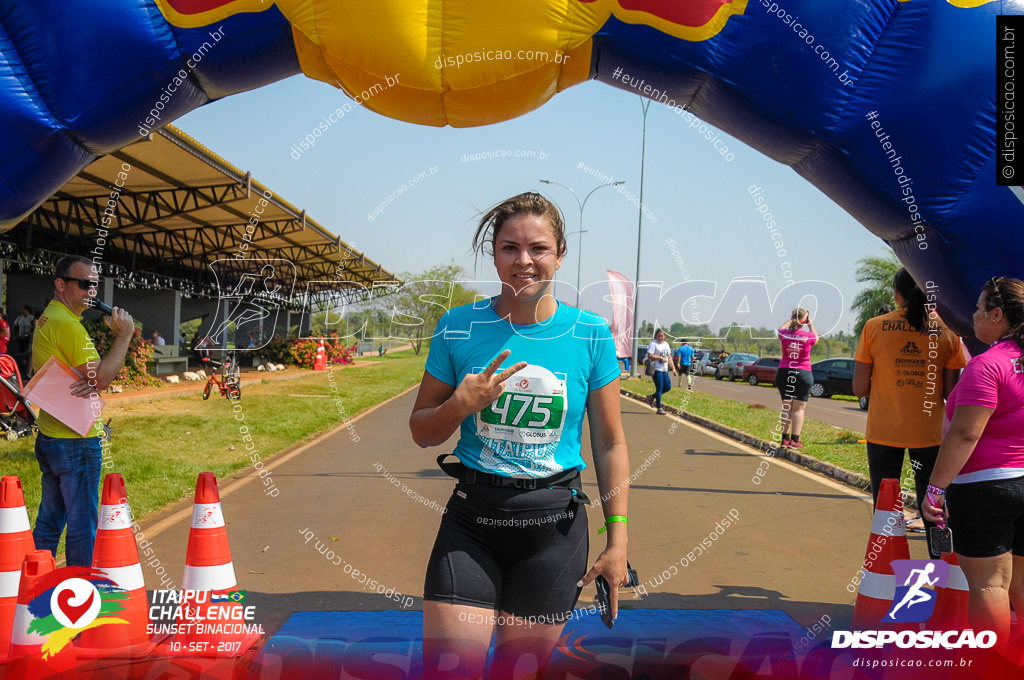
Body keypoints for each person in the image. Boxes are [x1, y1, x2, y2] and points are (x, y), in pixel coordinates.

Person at [408, 192, 630, 679]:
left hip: (553, 531)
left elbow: (610, 442)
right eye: (510, 248)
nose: (524, 260)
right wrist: (459, 406)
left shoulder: (590, 333)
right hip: (471, 525)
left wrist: (618, 542)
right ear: (494, 254)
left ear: (561, 253)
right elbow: (422, 431)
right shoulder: (459, 327)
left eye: (538, 248)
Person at [922, 277, 1024, 641]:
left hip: (986, 488)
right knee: (1021, 586)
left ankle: (993, 666)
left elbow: (965, 433)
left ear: (998, 315)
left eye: (980, 308)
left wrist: (935, 489)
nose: (974, 314)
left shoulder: (987, 365)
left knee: (989, 586)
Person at [854, 268, 966, 558]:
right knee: (934, 503)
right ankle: (940, 570)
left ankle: (886, 568)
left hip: (883, 431)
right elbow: (950, 394)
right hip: (929, 433)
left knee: (885, 501)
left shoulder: (874, 326)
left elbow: (858, 389)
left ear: (897, 293)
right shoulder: (948, 332)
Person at [31, 255, 135, 567]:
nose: (91, 290)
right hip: (76, 440)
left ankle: (32, 587)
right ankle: (80, 600)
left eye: (95, 285)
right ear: (60, 284)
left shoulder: (50, 317)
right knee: (82, 527)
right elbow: (101, 378)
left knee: (50, 521)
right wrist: (125, 334)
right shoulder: (68, 326)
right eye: (84, 284)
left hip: (52, 434)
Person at [774, 308, 818, 449]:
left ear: (792, 318)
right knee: (799, 409)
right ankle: (795, 440)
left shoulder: (784, 334)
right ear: (804, 321)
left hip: (784, 371)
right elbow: (816, 337)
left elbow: (781, 328)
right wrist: (810, 323)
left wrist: (792, 319)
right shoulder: (808, 336)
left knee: (787, 407)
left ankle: (784, 439)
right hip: (802, 373)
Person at [644, 329, 678, 415]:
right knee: (659, 388)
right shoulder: (653, 344)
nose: (660, 337)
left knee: (667, 387)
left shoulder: (666, 344)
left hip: (665, 369)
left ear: (664, 336)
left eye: (662, 336)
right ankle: (659, 407)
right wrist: (659, 358)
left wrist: (673, 368)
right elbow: (650, 355)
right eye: (658, 336)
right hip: (656, 369)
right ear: (656, 336)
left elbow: (669, 357)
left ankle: (652, 397)